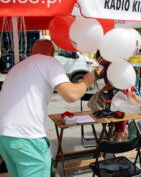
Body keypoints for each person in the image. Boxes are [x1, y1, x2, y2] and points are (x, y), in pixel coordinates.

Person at [0, 39, 95, 177]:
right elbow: (71, 95)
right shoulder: (49, 61)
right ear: (52, 53)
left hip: (5, 136)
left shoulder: (17, 66)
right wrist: (86, 81)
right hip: (26, 137)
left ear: (31, 52)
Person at [94, 51, 126, 141]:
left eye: (99, 61)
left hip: (118, 94)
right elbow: (100, 75)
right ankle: (118, 136)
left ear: (103, 57)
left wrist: (101, 90)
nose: (99, 63)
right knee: (114, 115)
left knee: (119, 116)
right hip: (112, 94)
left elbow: (112, 83)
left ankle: (118, 139)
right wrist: (95, 68)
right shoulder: (105, 65)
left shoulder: (111, 65)